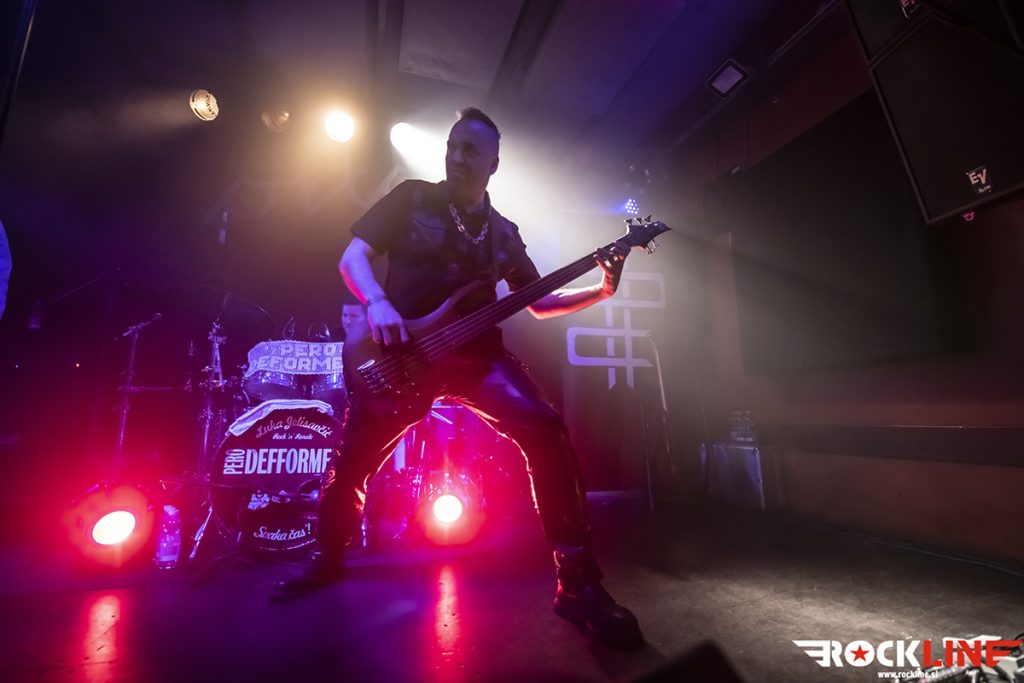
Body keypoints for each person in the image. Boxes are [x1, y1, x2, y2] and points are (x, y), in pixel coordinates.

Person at [273, 107, 641, 648]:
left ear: (494, 163)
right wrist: (376, 300)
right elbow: (353, 257)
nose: (457, 157)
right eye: (452, 146)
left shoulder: (504, 235)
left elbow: (539, 303)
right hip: (400, 355)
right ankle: (326, 558)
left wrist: (602, 291)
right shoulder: (412, 199)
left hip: (477, 360)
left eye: (471, 150)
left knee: (546, 428)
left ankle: (577, 583)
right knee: (352, 463)